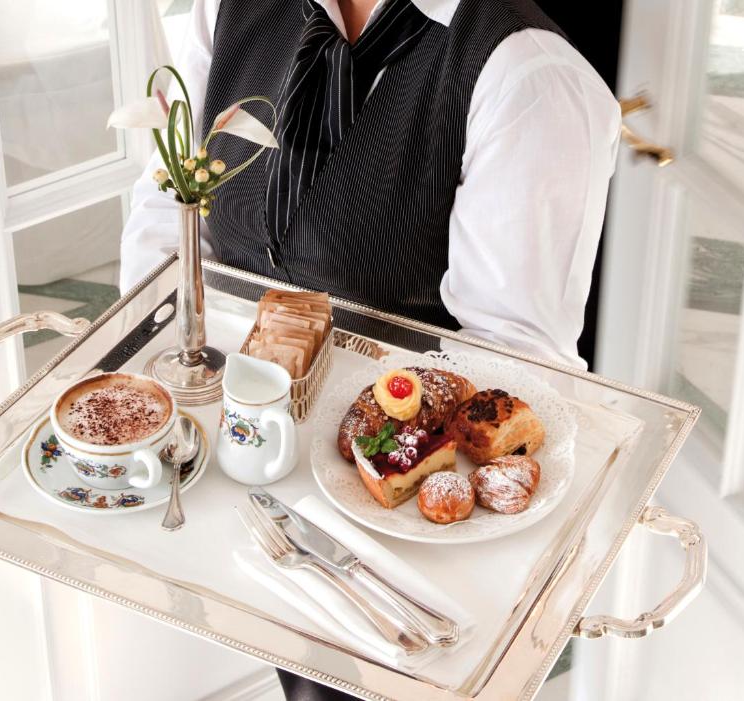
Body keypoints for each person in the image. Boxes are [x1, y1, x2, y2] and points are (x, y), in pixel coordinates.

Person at [120, 0, 619, 696]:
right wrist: (158, 381)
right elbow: (170, 204)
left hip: (388, 536)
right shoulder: (225, 8)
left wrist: (369, 488)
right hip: (229, 475)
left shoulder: (528, 76)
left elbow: (510, 365)